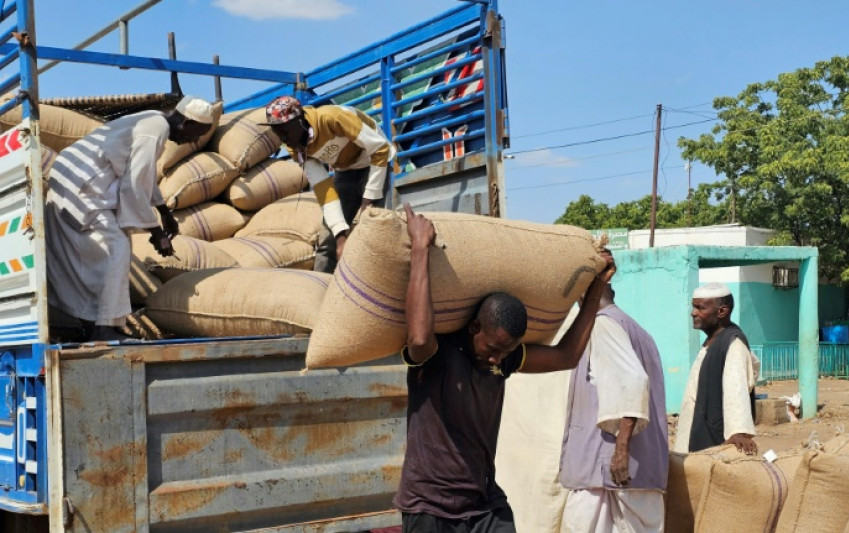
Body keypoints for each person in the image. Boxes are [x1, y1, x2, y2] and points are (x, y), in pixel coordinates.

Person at [396, 204, 615, 533]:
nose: (498, 359)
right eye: (494, 348)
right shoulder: (438, 354)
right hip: (431, 506)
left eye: (507, 351)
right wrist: (419, 248)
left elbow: (566, 356)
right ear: (474, 329)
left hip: (484, 500)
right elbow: (418, 334)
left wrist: (596, 288)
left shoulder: (505, 358)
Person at [45, 95, 214, 341]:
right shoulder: (154, 130)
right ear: (186, 124)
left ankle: (97, 326)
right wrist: (156, 233)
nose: (194, 140)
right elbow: (134, 184)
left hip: (77, 187)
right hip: (82, 191)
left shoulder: (152, 122)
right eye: (197, 133)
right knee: (116, 249)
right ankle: (103, 330)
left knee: (101, 254)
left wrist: (164, 213)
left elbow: (140, 174)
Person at [559, 284, 668, 533]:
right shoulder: (637, 330)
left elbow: (632, 381)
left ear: (584, 296)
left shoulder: (602, 325)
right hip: (632, 474)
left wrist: (621, 451)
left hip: (606, 473)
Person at [262, 96, 396, 272]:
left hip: (374, 163)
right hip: (345, 170)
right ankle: (320, 288)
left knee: (375, 228)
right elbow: (324, 189)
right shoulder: (296, 148)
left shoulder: (333, 118)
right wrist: (341, 238)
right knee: (328, 242)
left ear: (300, 120)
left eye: (285, 131)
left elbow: (380, 150)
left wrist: (367, 202)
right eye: (277, 133)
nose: (283, 138)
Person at [673, 283, 760, 455]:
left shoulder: (732, 343)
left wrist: (738, 431)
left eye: (700, 308)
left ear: (722, 311)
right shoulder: (713, 340)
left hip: (715, 439)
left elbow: (736, 389)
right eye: (693, 307)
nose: (693, 313)